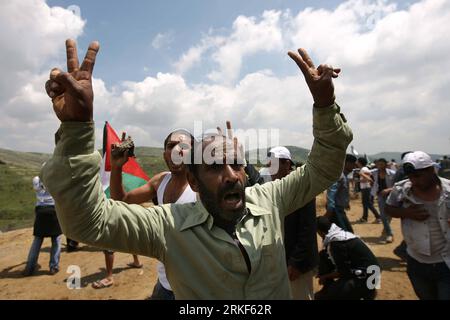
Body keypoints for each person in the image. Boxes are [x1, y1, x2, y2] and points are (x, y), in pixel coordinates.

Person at [41, 39, 352, 299]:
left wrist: (325, 106)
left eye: (236, 164)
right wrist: (77, 130)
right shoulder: (167, 227)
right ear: (194, 179)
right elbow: (87, 222)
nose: (231, 175)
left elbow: (322, 169)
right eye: (215, 167)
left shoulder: (269, 199)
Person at [105, 129, 196, 299]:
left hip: (196, 287)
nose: (176, 150)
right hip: (165, 283)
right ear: (164, 155)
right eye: (171, 146)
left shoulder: (203, 187)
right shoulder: (161, 181)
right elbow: (122, 201)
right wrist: (116, 166)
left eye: (183, 146)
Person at [385, 151, 450, 300]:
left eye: (418, 176)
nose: (414, 181)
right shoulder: (401, 190)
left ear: (431, 170)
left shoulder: (448, 191)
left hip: (446, 263)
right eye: (411, 177)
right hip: (416, 262)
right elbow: (389, 208)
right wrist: (406, 213)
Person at [261, 147, 318, 300]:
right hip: (280, 259)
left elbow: (307, 228)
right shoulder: (273, 188)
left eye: (273, 164)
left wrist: (297, 263)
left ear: (287, 164)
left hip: (295, 264)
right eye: (268, 165)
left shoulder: (300, 186)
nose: (270, 169)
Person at [315, 216, 379, 300]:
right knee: (323, 256)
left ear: (321, 232)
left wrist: (325, 277)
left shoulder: (337, 243)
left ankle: (368, 292)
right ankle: (328, 288)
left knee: (328, 296)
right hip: (368, 274)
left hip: (368, 279)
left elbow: (343, 272)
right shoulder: (339, 234)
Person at [23, 176, 62, 276]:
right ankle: (54, 266)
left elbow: (36, 189)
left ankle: (29, 267)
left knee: (38, 239)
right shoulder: (55, 179)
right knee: (56, 239)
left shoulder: (36, 179)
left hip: (40, 210)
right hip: (53, 209)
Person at [325, 154, 357, 232]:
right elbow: (331, 192)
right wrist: (330, 209)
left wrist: (346, 203)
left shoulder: (344, 175)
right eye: (353, 164)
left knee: (342, 233)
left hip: (339, 208)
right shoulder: (339, 175)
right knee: (346, 233)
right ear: (346, 163)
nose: (354, 167)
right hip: (335, 209)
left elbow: (341, 192)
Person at [371, 158, 396, 243]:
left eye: (381, 164)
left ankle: (386, 228)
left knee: (389, 214)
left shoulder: (392, 173)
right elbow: (362, 172)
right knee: (383, 215)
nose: (380, 166)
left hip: (391, 196)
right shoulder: (374, 172)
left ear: (386, 165)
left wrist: (388, 190)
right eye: (378, 164)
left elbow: (397, 185)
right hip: (380, 195)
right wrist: (371, 181)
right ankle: (390, 234)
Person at [356, 157, 381, 223]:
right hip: (365, 188)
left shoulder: (364, 169)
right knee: (365, 204)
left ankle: (378, 217)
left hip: (366, 188)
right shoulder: (364, 169)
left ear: (360, 162)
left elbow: (368, 179)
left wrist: (358, 180)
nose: (356, 163)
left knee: (368, 204)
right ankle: (364, 218)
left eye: (357, 161)